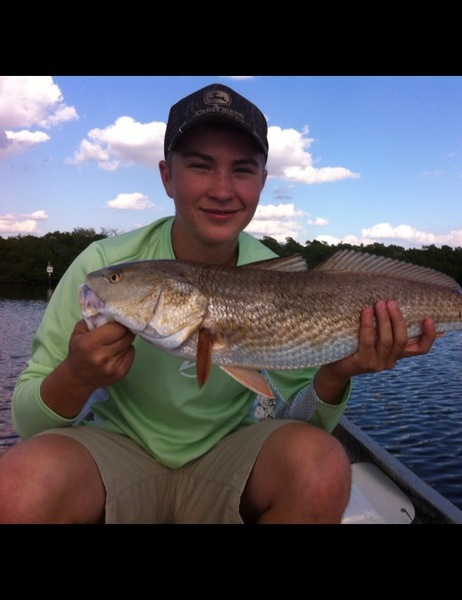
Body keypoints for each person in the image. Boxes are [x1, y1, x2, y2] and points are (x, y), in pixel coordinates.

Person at [0, 82, 438, 524]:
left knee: (322, 468)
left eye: (243, 170)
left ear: (263, 182)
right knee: (14, 490)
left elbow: (300, 423)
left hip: (230, 458)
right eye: (200, 166)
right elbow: (30, 425)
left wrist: (338, 372)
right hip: (114, 455)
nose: (223, 190)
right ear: (167, 176)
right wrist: (75, 377)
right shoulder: (100, 266)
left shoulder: (280, 276)